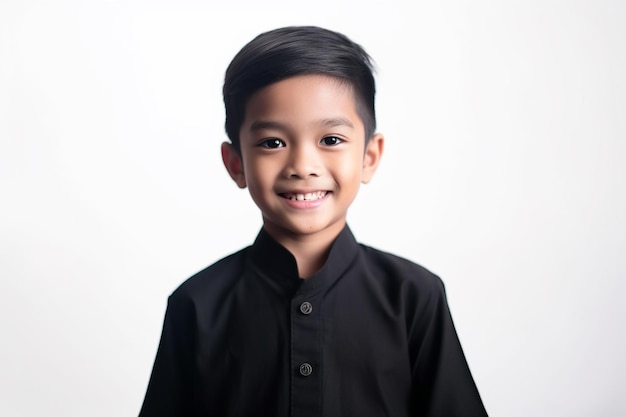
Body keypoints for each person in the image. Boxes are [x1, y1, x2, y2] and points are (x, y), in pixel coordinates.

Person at [138, 25, 488, 417]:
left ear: (369, 156)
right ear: (236, 164)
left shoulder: (413, 296)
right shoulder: (197, 304)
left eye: (331, 140)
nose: (303, 166)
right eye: (273, 143)